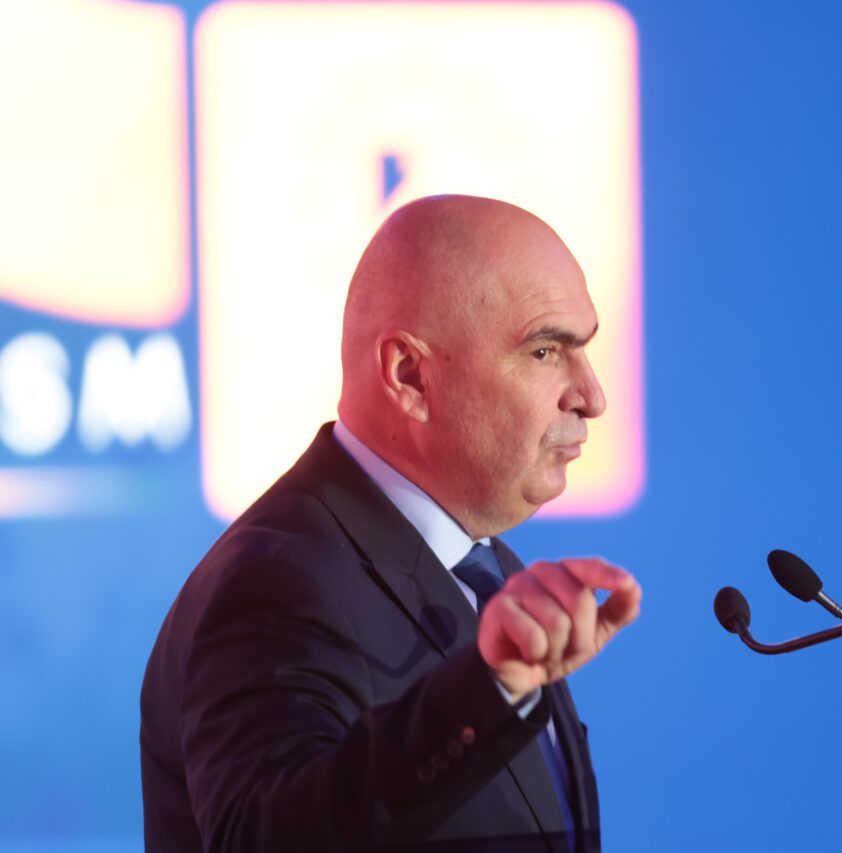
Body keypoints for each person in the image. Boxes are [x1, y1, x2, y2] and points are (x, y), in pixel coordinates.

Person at [140, 195, 642, 851]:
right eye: (545, 351)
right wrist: (487, 691)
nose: (592, 396)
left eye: (583, 348)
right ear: (410, 376)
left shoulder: (488, 569)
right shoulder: (277, 582)